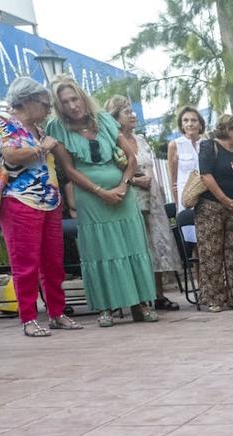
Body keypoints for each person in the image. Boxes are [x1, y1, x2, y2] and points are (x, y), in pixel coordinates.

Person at [48, 76, 157, 328]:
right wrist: (100, 191)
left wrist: (124, 184)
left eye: (75, 98)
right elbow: (69, 170)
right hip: (90, 197)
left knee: (131, 245)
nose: (73, 105)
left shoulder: (105, 120)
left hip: (122, 193)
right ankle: (106, 307)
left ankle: (140, 304)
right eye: (65, 102)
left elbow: (131, 157)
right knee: (101, 249)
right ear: (59, 106)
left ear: (83, 97)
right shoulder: (57, 128)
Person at [0, 77, 79, 337]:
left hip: (49, 202)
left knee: (53, 262)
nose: (48, 110)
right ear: (28, 101)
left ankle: (57, 313)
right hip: (19, 200)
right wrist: (42, 148)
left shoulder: (39, 129)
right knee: (25, 264)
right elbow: (10, 155)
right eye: (45, 104)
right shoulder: (4, 122)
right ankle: (28, 318)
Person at [105, 96, 181, 312]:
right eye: (126, 111)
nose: (132, 115)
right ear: (115, 117)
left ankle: (158, 294)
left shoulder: (141, 139)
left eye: (132, 110)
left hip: (152, 197)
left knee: (155, 245)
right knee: (136, 246)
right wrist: (136, 180)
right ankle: (136, 297)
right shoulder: (111, 142)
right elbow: (112, 174)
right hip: (128, 197)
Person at [194, 113, 233, 312]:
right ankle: (214, 298)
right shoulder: (209, 146)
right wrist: (224, 200)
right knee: (212, 252)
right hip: (211, 207)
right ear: (229, 130)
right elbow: (206, 176)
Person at [167, 106, 204, 245]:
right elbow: (173, 179)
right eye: (186, 120)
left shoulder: (206, 144)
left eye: (193, 120)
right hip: (185, 197)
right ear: (181, 124)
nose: (190, 124)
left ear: (200, 123)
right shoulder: (175, 145)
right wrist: (178, 205)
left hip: (205, 196)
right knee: (191, 240)